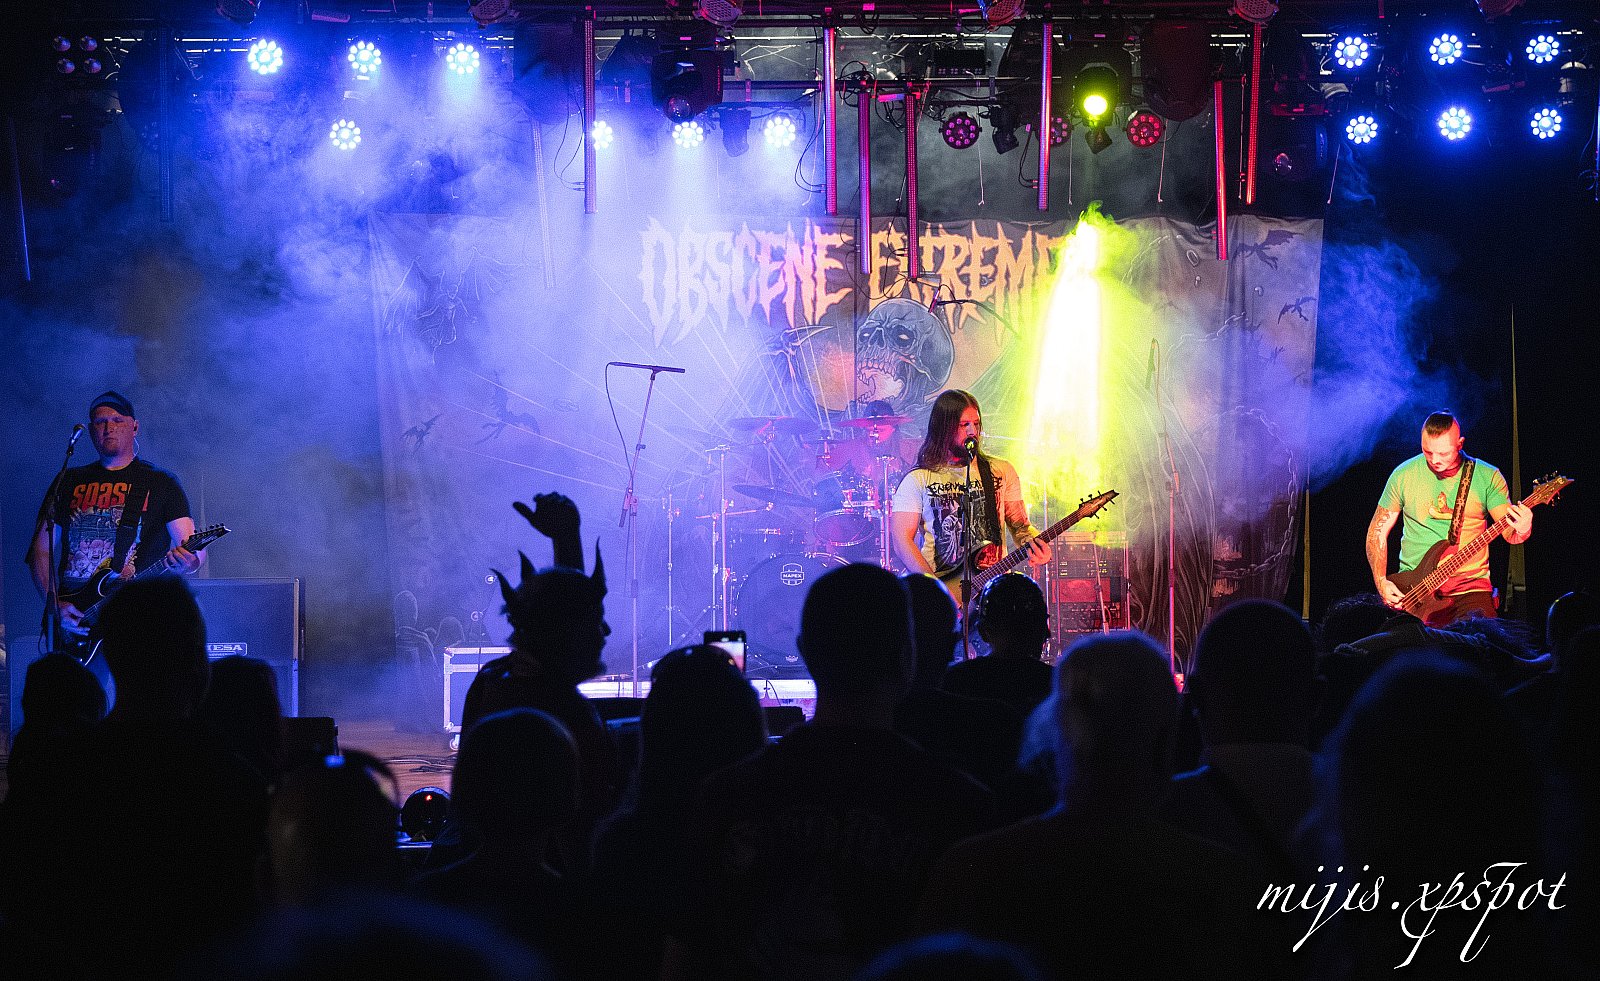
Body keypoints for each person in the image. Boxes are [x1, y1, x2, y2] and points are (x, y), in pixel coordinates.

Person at [25, 391, 205, 657]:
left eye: (117, 420)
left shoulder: (161, 482)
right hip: (74, 622)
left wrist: (188, 561)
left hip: (139, 618)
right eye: (100, 422)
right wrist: (54, 605)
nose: (108, 427)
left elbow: (192, 547)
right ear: (91, 431)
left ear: (135, 427)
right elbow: (40, 550)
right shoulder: (68, 480)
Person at [1366, 410, 1531, 625]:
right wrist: (1381, 581)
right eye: (1427, 452)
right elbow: (1376, 532)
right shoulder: (1403, 474)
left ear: (1460, 444)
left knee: (1481, 640)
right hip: (1414, 591)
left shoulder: (1487, 476)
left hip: (1469, 589)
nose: (1435, 460)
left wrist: (1523, 527)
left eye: (1443, 453)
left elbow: (1510, 534)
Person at [890, 390, 1049, 595]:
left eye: (976, 423)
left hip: (993, 594)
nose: (973, 431)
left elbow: (1021, 527)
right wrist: (936, 591)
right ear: (944, 428)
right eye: (964, 424)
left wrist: (1034, 544)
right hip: (943, 593)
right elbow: (901, 540)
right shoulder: (918, 479)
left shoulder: (1001, 471)